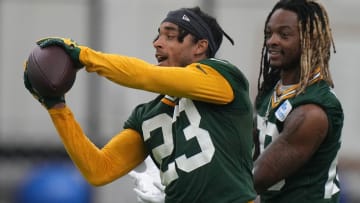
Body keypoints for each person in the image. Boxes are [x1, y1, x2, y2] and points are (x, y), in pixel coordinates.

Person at [24, 6, 256, 203]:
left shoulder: (223, 77)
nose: (156, 43)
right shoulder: (150, 114)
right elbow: (99, 170)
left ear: (199, 46)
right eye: (158, 35)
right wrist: (57, 108)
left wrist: (84, 55)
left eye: (170, 35)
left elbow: (145, 76)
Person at [252, 0, 344, 202]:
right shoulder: (271, 92)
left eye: (284, 35)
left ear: (309, 40)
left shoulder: (312, 111)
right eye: (269, 34)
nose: (272, 41)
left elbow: (256, 178)